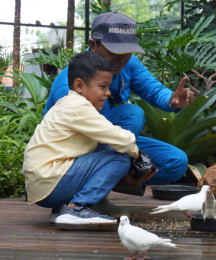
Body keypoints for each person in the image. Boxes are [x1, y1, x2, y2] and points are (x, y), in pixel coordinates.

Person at [42, 12, 195, 220]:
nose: (121, 58)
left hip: (110, 139)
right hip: (72, 152)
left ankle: (101, 185)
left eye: (128, 51)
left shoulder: (127, 65)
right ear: (93, 45)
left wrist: (173, 101)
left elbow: (154, 90)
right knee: (132, 114)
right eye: (115, 51)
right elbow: (70, 140)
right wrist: (120, 163)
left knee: (175, 161)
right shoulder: (70, 82)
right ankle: (79, 201)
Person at [24, 51, 150, 230]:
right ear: (79, 85)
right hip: (50, 184)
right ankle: (77, 208)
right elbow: (117, 137)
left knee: (99, 148)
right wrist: (137, 155)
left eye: (109, 87)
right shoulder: (79, 107)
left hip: (43, 185)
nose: (107, 93)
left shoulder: (67, 103)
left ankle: (62, 208)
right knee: (119, 158)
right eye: (103, 86)